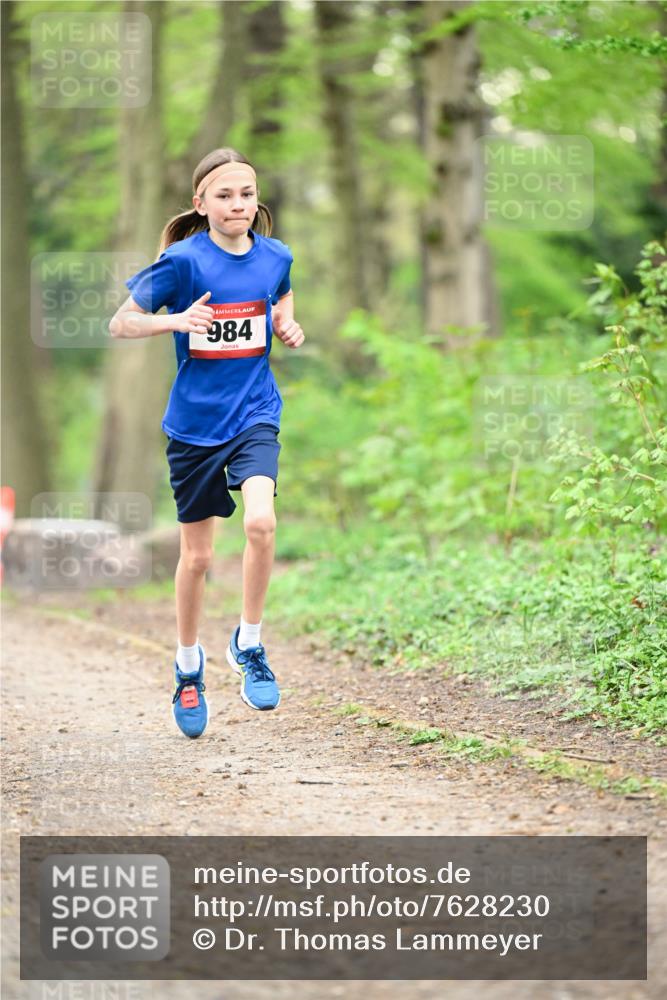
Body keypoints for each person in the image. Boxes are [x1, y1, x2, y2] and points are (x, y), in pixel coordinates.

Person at [108, 147, 304, 739]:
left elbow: (283, 290)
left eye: (246, 193)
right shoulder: (182, 262)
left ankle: (248, 644)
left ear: (256, 198)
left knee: (261, 523)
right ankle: (189, 665)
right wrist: (173, 321)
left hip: (254, 412)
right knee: (196, 558)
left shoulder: (276, 255)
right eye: (224, 195)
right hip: (194, 426)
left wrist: (285, 321)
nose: (237, 204)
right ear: (202, 203)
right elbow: (122, 322)